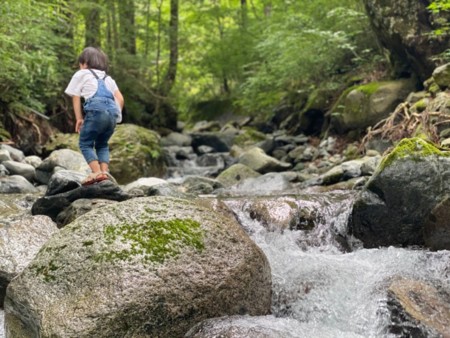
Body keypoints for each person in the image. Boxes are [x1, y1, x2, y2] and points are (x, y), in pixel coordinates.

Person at [65, 47, 124, 186]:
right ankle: (104, 173)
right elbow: (120, 98)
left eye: (80, 64)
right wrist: (116, 116)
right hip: (112, 114)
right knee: (102, 144)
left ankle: (97, 173)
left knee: (85, 143)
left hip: (96, 111)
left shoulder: (82, 73)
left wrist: (79, 118)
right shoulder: (108, 78)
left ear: (84, 62)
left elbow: (75, 96)